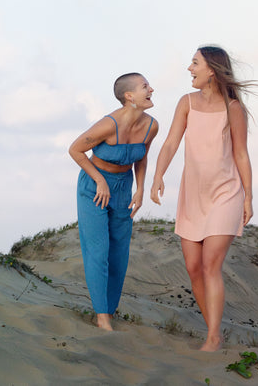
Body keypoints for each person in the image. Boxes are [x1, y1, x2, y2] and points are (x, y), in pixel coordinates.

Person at [151, 45, 257, 351]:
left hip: (226, 192)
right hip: (192, 195)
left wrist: (248, 196)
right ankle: (216, 329)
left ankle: (212, 337)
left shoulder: (233, 108)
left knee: (211, 264)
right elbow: (171, 142)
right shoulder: (186, 102)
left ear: (211, 69)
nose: (189, 68)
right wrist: (159, 175)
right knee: (193, 266)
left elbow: (240, 153)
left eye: (194, 63)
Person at [69, 73, 158, 331]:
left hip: (123, 189)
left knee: (119, 254)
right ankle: (102, 317)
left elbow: (141, 158)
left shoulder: (152, 126)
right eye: (145, 86)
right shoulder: (108, 125)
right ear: (129, 96)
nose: (151, 89)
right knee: (98, 251)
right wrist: (99, 180)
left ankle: (110, 309)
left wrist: (140, 189)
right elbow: (75, 149)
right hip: (94, 187)